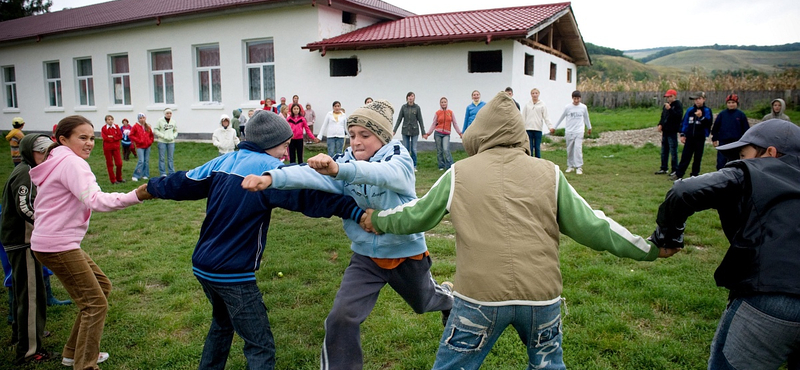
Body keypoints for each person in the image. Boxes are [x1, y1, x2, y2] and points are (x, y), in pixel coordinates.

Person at [365, 92, 676, 370]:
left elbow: (416, 215)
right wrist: (647, 248)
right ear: (520, 132)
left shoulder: (459, 173)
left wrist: (376, 219)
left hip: (478, 298)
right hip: (542, 298)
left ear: (479, 132)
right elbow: (594, 226)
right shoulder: (549, 172)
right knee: (549, 365)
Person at [241, 100, 453, 370]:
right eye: (352, 135)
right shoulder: (345, 161)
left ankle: (448, 298)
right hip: (365, 258)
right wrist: (271, 178)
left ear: (383, 137)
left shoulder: (399, 159)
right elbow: (311, 176)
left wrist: (340, 171)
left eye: (365, 135)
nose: (356, 142)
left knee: (425, 302)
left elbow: (381, 174)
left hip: (405, 254)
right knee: (340, 318)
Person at [147, 110, 367, 370]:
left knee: (222, 324)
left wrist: (150, 187)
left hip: (203, 267)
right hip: (233, 275)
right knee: (260, 345)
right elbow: (309, 196)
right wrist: (356, 212)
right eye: (284, 146)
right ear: (269, 144)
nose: (286, 154)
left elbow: (181, 182)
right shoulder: (269, 171)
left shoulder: (223, 162)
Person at [650, 119, 800, 370]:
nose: (741, 160)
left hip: (771, 295)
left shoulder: (756, 170)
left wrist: (669, 236)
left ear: (770, 153)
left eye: (744, 154)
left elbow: (683, 191)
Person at [30, 115, 152, 369]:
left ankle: (72, 352)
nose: (89, 143)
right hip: (57, 244)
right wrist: (137, 194)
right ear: (63, 139)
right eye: (82, 138)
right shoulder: (72, 163)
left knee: (101, 286)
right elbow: (96, 200)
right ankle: (85, 364)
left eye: (91, 137)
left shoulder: (58, 159)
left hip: (53, 242)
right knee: (94, 304)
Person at [1, 134, 61, 364]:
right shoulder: (26, 172)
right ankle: (30, 351)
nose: (46, 155)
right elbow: (25, 208)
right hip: (23, 242)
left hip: (22, 240)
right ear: (29, 152)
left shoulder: (30, 169)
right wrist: (52, 223)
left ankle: (22, 335)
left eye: (49, 150)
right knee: (31, 296)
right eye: (41, 151)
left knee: (23, 292)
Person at [669, 92, 713, 180]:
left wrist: (701, 117)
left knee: (697, 157)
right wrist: (682, 134)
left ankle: (694, 175)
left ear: (704, 99)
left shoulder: (707, 111)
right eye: (695, 99)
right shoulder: (690, 110)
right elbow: (684, 122)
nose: (697, 101)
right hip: (689, 137)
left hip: (700, 137)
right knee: (685, 156)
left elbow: (708, 123)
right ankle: (679, 174)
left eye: (699, 99)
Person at [551, 90, 592, 174]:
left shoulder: (583, 107)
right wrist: (554, 127)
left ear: (580, 98)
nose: (576, 100)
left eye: (578, 98)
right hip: (569, 131)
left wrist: (589, 127)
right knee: (570, 149)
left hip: (579, 131)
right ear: (572, 98)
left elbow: (586, 117)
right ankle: (570, 166)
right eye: (574, 99)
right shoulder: (568, 107)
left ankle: (579, 167)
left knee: (578, 149)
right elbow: (561, 117)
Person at [711, 94, 749, 170]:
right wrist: (714, 139)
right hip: (723, 142)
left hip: (736, 143)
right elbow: (715, 128)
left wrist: (745, 142)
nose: (731, 104)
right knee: (721, 162)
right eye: (729, 103)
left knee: (735, 162)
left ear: (736, 103)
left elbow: (746, 130)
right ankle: (720, 177)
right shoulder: (722, 114)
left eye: (733, 102)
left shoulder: (741, 115)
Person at [423, 97, 462, 170]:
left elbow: (455, 124)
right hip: (438, 133)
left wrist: (460, 133)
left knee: (446, 149)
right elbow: (434, 124)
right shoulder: (437, 113)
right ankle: (441, 165)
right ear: (440, 104)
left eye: (445, 102)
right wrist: (428, 134)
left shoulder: (450, 112)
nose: (443, 103)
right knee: (439, 150)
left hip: (446, 134)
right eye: (442, 102)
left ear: (447, 103)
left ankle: (450, 165)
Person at [655, 89, 684, 175]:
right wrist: (660, 124)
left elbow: (678, 116)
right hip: (665, 130)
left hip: (672, 130)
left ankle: (675, 169)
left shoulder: (678, 105)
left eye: (670, 96)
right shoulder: (666, 106)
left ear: (674, 96)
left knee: (673, 150)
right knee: (664, 150)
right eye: (667, 97)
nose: (668, 99)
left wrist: (670, 109)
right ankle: (664, 168)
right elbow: (663, 116)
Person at [393, 92, 425, 170]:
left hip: (414, 131)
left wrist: (423, 132)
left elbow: (420, 120)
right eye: (409, 96)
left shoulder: (417, 108)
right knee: (406, 149)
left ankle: (414, 165)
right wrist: (394, 130)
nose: (410, 98)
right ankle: (406, 165)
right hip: (405, 130)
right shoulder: (403, 107)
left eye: (412, 96)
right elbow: (399, 119)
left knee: (413, 149)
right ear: (407, 98)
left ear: (414, 98)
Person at [521, 88, 552, 158]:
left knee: (537, 147)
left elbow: (546, 116)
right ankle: (530, 161)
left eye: (536, 93)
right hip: (528, 128)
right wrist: (522, 127)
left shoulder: (542, 105)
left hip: (538, 129)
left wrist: (550, 127)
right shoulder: (527, 105)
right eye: (533, 93)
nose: (534, 95)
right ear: (531, 94)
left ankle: (538, 161)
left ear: (538, 94)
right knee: (530, 147)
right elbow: (523, 116)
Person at [130, 112, 154, 182]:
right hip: (140, 146)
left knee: (146, 161)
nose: (142, 119)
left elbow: (151, 135)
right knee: (141, 161)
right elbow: (131, 135)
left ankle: (145, 174)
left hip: (147, 146)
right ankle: (136, 175)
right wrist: (138, 140)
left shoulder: (147, 127)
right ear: (138, 119)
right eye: (140, 118)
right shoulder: (135, 126)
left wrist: (150, 141)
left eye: (143, 118)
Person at [101, 115, 124, 184]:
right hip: (108, 148)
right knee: (110, 164)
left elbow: (120, 136)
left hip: (116, 147)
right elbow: (105, 138)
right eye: (108, 119)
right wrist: (113, 138)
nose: (110, 121)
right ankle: (113, 179)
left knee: (119, 163)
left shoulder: (116, 127)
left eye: (111, 119)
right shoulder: (104, 128)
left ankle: (119, 178)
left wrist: (112, 137)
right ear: (106, 121)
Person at [154, 108, 178, 177]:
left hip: (171, 141)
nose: (169, 115)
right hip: (162, 141)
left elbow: (175, 130)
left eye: (170, 113)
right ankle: (163, 172)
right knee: (162, 158)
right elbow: (156, 130)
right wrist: (163, 136)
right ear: (165, 114)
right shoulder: (160, 121)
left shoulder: (173, 121)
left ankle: (171, 172)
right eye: (167, 113)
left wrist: (174, 136)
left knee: (170, 158)